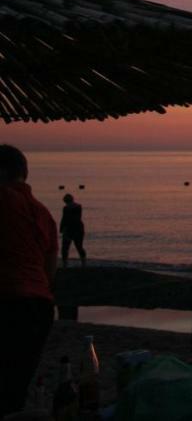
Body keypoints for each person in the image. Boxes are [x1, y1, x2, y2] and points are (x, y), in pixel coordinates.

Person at [0, 144, 58, 416]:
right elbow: (49, 271)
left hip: (8, 299)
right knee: (14, 391)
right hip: (39, 307)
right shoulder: (43, 213)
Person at [60, 193, 86, 268]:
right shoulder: (77, 207)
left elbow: (65, 219)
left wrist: (62, 229)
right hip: (76, 229)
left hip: (72, 229)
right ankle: (83, 262)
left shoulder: (69, 208)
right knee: (77, 247)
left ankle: (66, 263)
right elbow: (66, 219)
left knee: (67, 247)